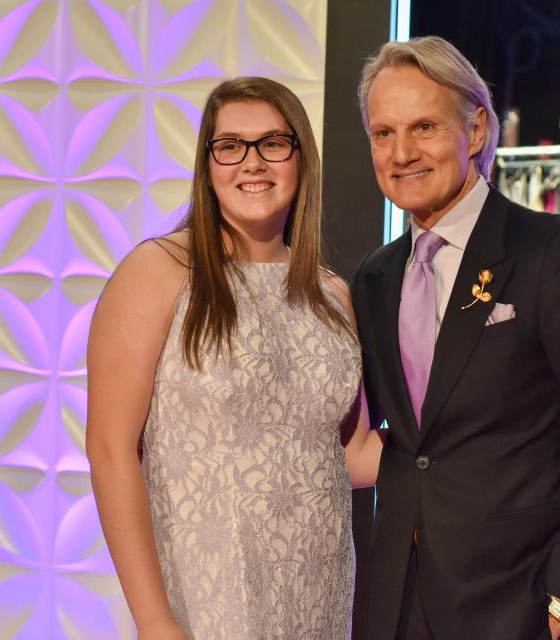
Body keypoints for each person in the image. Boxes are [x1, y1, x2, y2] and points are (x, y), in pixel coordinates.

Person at [349, 37, 560, 640]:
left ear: (473, 131)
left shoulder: (553, 254)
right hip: (395, 603)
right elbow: (398, 443)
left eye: (423, 127)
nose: (402, 152)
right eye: (383, 133)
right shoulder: (374, 277)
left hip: (518, 603)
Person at [86, 76, 383, 640]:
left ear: (301, 159)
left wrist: (475, 437)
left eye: (273, 142)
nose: (252, 162)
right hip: (207, 595)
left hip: (317, 592)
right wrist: (155, 621)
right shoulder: (156, 273)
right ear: (208, 163)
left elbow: (353, 456)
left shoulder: (333, 293)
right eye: (230, 146)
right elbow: (109, 449)